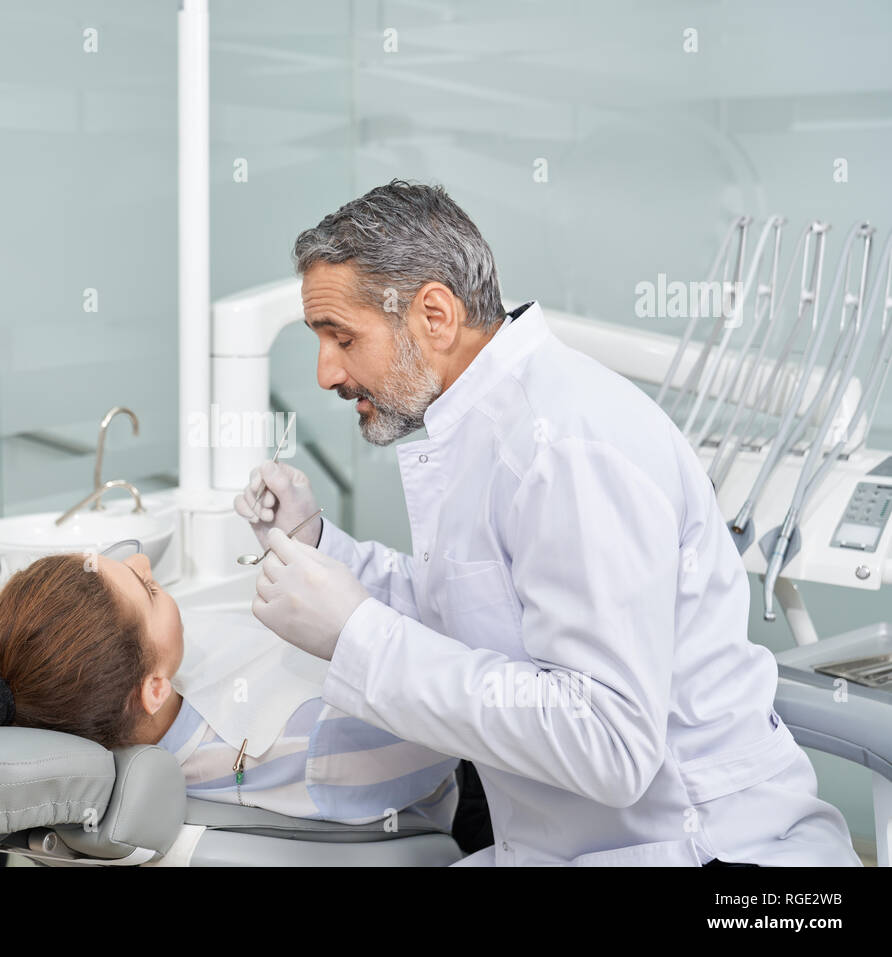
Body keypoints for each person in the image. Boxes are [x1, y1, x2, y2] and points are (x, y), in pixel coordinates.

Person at [240, 179, 862, 866]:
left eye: (341, 337)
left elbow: (610, 741)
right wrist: (319, 549)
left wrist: (361, 636)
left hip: (707, 851)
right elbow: (470, 617)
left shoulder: (568, 445)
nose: (326, 372)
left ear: (435, 316)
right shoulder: (486, 425)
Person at [0, 551, 459, 866]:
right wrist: (363, 630)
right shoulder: (306, 740)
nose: (143, 562)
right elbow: (450, 738)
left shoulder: (106, 713)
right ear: (155, 689)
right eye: (151, 589)